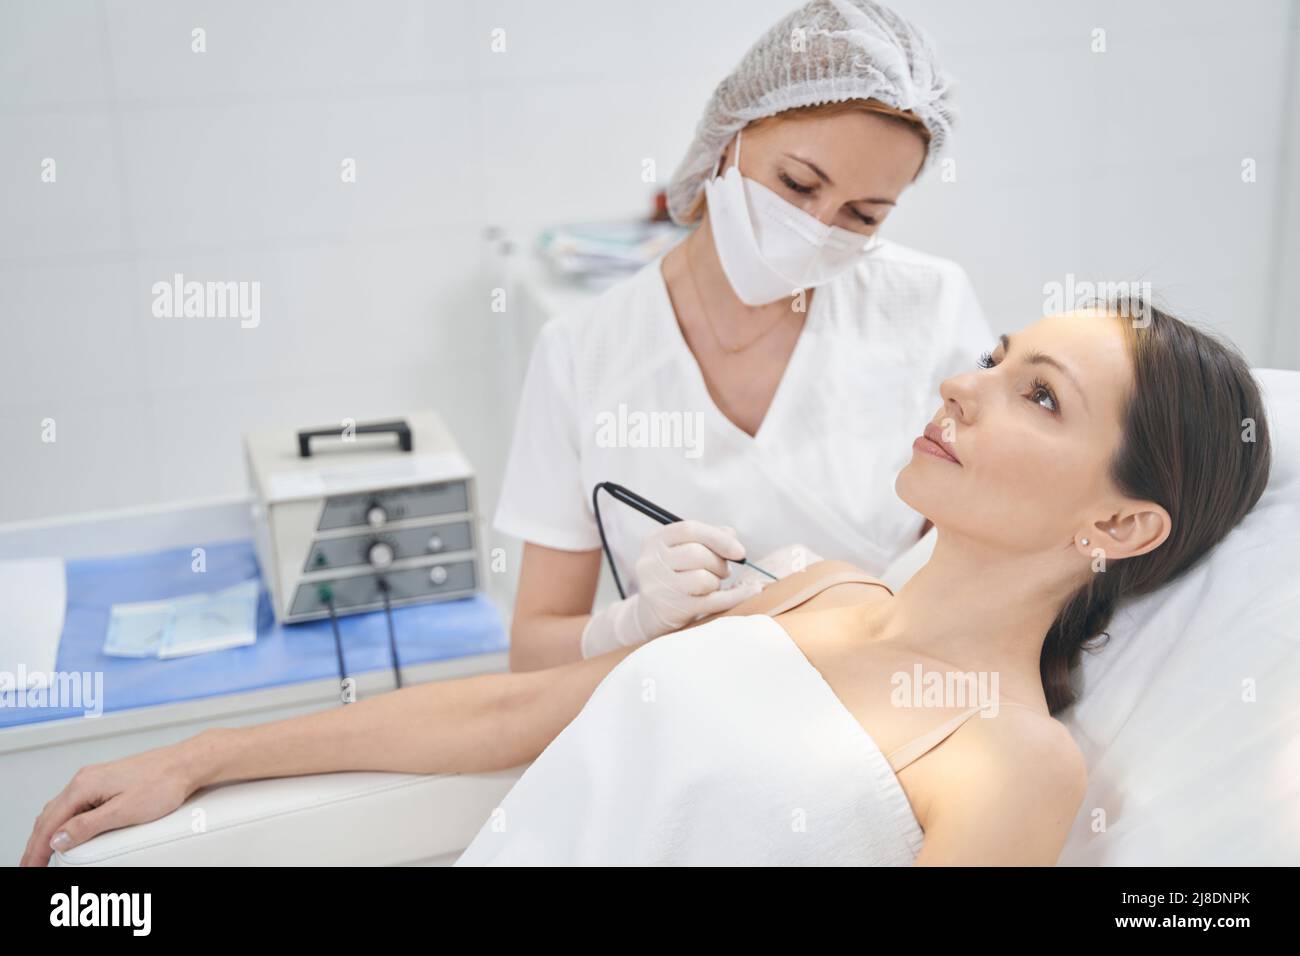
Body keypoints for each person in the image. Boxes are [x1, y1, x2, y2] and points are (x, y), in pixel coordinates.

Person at [20, 302, 1271, 866]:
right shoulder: (818, 592)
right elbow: (512, 714)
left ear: (1118, 518)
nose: (964, 384)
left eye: (1036, 394)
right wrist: (206, 754)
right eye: (996, 358)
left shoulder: (1015, 762)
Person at [501, 0, 996, 670]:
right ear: (726, 137)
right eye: (796, 183)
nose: (818, 226)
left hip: (873, 699)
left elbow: (991, 559)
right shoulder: (583, 353)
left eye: (863, 214)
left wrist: (856, 608)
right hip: (677, 718)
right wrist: (633, 621)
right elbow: (534, 655)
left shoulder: (928, 305)